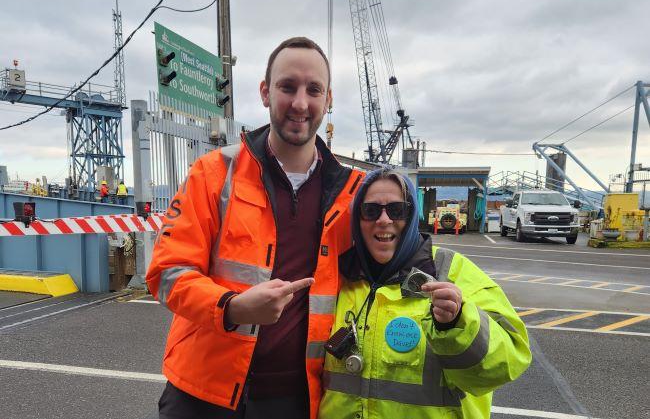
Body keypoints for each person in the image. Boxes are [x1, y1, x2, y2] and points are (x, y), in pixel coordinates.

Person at [146, 37, 364, 419]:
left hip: (298, 399)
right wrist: (232, 308)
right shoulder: (213, 173)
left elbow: (398, 248)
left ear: (328, 100)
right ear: (265, 92)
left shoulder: (352, 192)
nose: (300, 102)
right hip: (205, 396)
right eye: (287, 87)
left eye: (314, 90)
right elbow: (166, 274)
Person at [319, 168, 532, 419]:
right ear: (357, 220)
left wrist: (457, 323)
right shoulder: (336, 277)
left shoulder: (452, 271)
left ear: (412, 217)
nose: (384, 220)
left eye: (397, 210)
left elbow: (503, 366)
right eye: (371, 211)